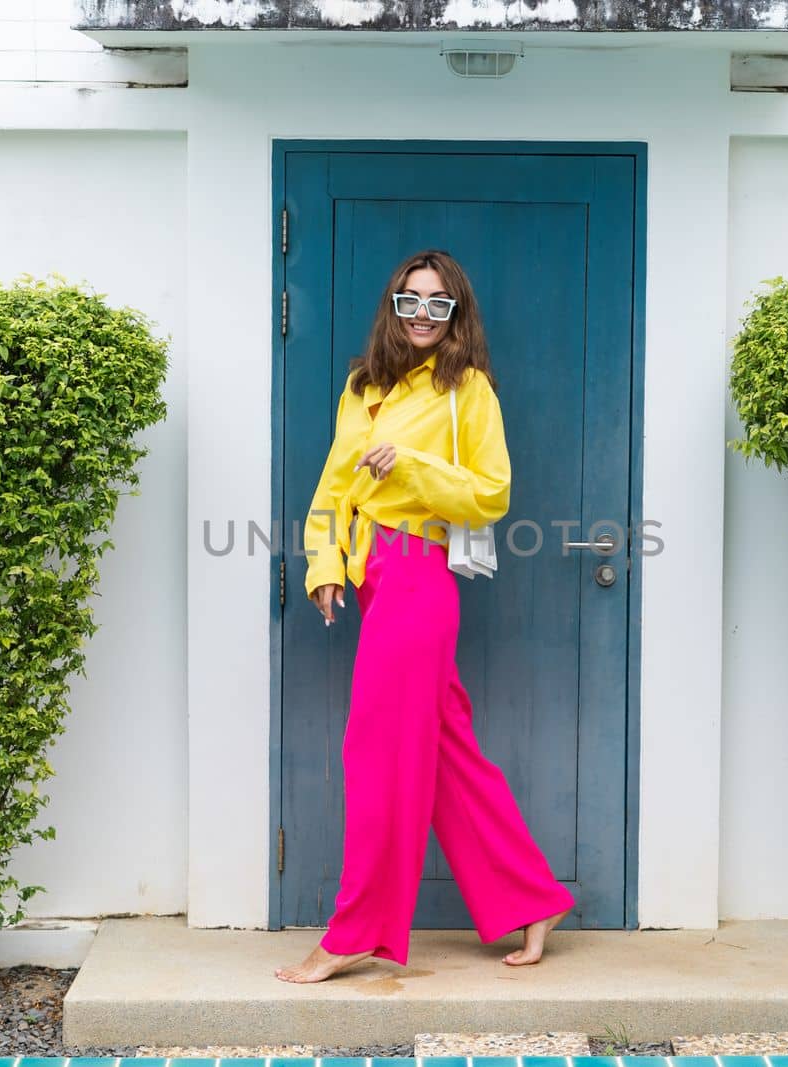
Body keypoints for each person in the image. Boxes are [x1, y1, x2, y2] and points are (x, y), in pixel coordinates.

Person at [274, 249, 576, 985]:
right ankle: (533, 897)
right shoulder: (362, 387)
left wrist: (409, 468)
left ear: (456, 315)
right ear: (392, 305)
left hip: (419, 576)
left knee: (374, 752)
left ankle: (359, 931)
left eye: (438, 304)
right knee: (445, 759)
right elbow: (332, 485)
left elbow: (491, 493)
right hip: (374, 576)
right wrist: (324, 562)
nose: (422, 315)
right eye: (411, 300)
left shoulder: (465, 389)